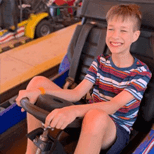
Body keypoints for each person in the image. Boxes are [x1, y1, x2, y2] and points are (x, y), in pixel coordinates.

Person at [16, 4, 152, 154]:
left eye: (123, 31)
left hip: (114, 131)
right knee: (37, 82)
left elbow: (112, 106)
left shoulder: (141, 73)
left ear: (135, 35)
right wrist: (39, 91)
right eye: (111, 29)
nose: (115, 35)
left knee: (95, 115)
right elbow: (76, 93)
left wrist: (73, 111)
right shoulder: (100, 62)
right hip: (86, 119)